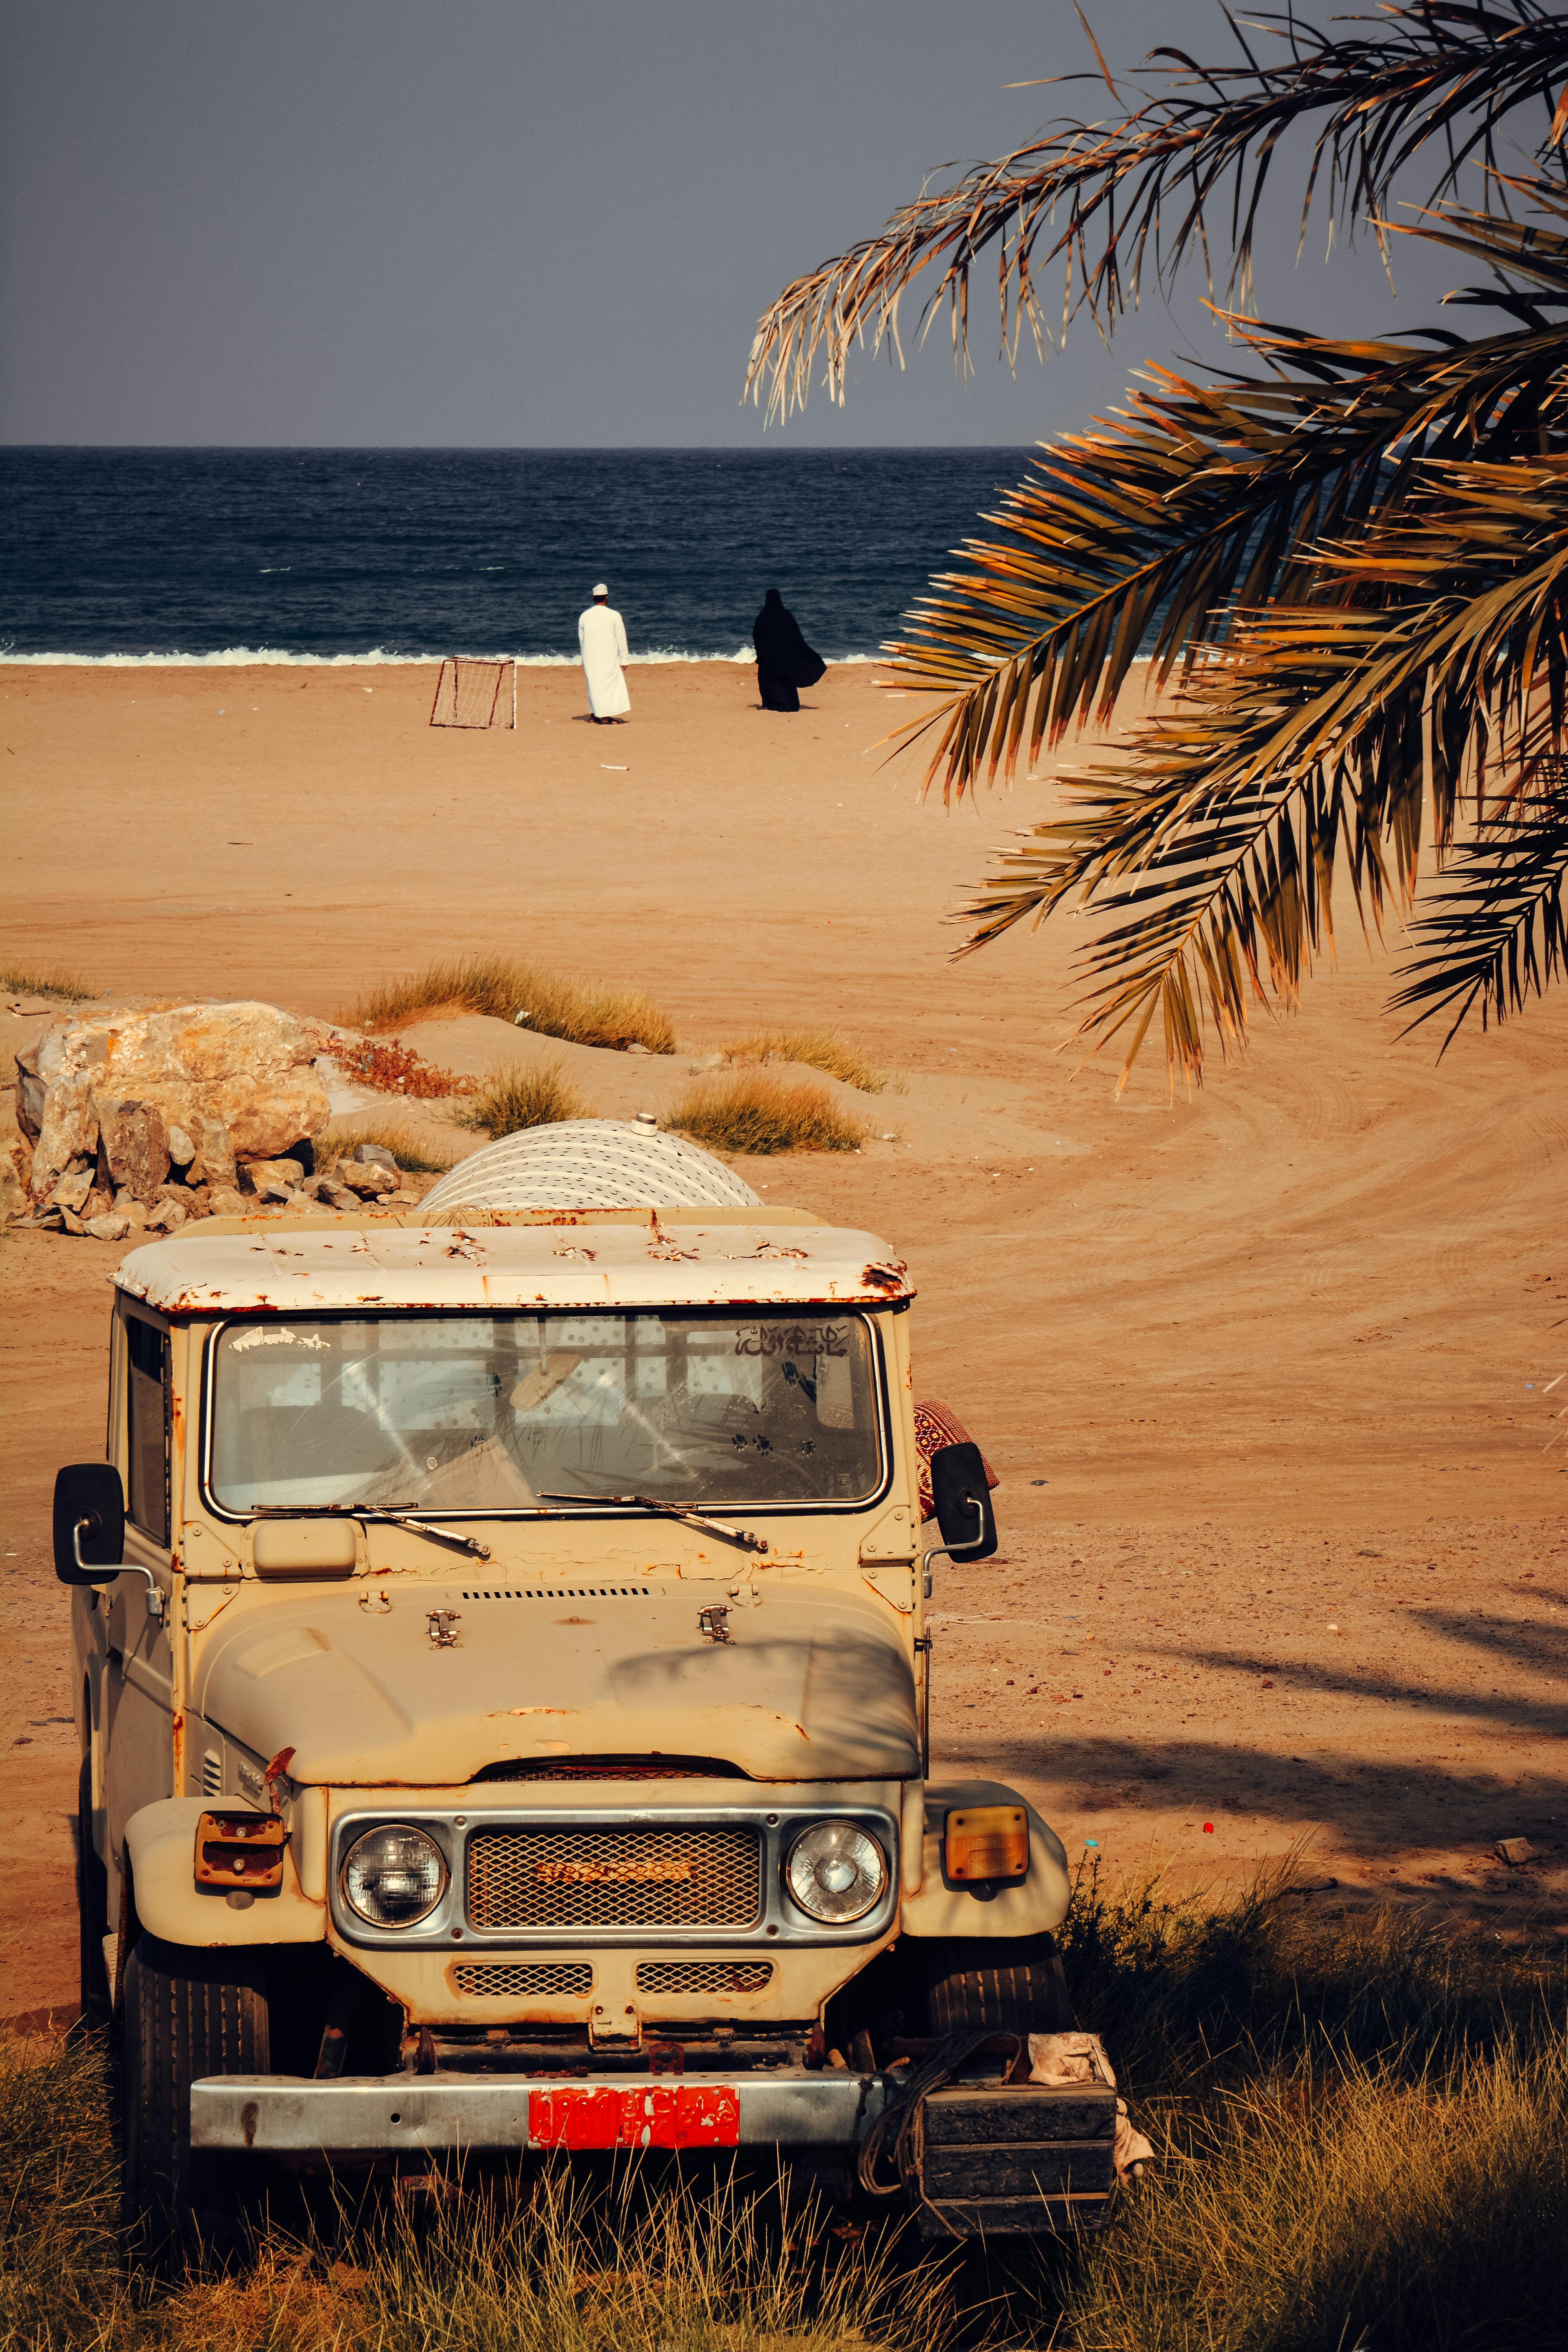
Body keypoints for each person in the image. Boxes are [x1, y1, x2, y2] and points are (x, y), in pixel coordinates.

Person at [752, 588, 826, 713]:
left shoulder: (763, 616)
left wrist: (761, 653)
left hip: (768, 658)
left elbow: (757, 636)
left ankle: (770, 704)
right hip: (785, 658)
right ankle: (787, 705)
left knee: (767, 680)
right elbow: (796, 637)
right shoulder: (786, 615)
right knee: (786, 680)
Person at [577, 584, 630, 722]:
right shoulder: (614, 615)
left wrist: (584, 658)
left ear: (594, 598)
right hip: (608, 656)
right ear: (606, 598)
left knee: (594, 685)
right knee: (608, 686)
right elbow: (621, 638)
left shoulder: (585, 616)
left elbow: (582, 640)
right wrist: (624, 659)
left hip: (590, 656)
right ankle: (605, 717)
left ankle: (594, 715)